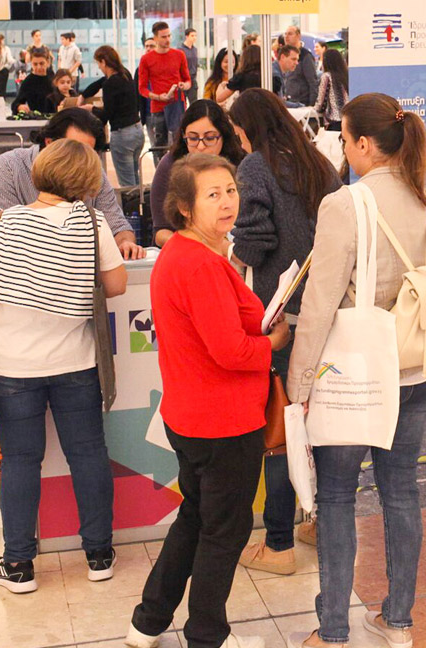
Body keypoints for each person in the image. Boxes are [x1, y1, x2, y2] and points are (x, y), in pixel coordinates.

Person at [287, 94, 426, 648]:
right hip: (420, 366)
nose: (343, 148)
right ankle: (398, 621)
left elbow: (319, 305)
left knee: (337, 494)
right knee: (401, 489)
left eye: (344, 139)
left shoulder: (346, 204)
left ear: (363, 143)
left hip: (356, 374)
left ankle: (334, 631)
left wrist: (300, 384)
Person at [126, 152, 289, 648]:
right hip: (223, 422)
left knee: (197, 517)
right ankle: (205, 636)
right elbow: (231, 351)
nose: (226, 202)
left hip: (192, 414)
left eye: (231, 190)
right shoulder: (199, 265)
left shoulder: (186, 254)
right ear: (184, 207)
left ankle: (148, 622)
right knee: (224, 533)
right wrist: (272, 342)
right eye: (212, 195)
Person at [0, 138, 126, 596]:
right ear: (88, 182)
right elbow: (115, 285)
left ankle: (18, 564)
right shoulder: (90, 223)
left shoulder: (0, 223)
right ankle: (98, 555)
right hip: (76, 362)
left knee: (19, 460)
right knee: (88, 454)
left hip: (12, 366)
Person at [229, 89, 341, 577]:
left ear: (247, 127)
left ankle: (278, 543)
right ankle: (317, 522)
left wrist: (232, 262)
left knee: (281, 429)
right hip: (325, 312)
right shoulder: (319, 162)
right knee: (319, 427)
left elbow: (256, 238)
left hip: (282, 316)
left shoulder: (256, 166)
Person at [0, 108, 145, 260]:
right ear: (49, 143)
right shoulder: (10, 167)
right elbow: (7, 234)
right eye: (74, 151)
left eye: (87, 154)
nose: (81, 162)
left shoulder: (92, 170)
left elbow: (117, 224)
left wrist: (125, 243)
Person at [151, 100, 246, 247]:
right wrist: (198, 247)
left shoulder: (241, 163)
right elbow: (160, 232)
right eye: (193, 138)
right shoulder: (170, 165)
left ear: (224, 136)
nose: (201, 146)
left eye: (210, 138)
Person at [82, 45, 143, 187]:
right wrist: (83, 95)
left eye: (98, 63)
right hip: (137, 131)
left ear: (103, 62)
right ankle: (139, 202)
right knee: (134, 178)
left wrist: (91, 109)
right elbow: (99, 83)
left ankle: (131, 203)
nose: (99, 67)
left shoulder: (110, 84)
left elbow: (106, 115)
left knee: (127, 185)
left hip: (122, 135)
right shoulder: (125, 74)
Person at [138, 21, 192, 163]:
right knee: (159, 146)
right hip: (158, 107)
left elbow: (188, 81)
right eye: (163, 37)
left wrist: (183, 85)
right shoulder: (146, 59)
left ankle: (179, 171)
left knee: (179, 144)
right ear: (155, 38)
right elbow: (142, 88)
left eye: (169, 36)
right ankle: (161, 172)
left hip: (177, 105)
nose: (167, 39)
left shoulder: (179, 55)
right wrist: (157, 97)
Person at [281, 25, 318, 107]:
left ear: (298, 36)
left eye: (290, 34)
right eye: (285, 34)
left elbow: (313, 82)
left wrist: (312, 106)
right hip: (288, 102)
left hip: (302, 104)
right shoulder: (284, 55)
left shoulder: (306, 56)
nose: (286, 37)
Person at [13, 47, 55, 115]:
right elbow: (15, 103)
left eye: (42, 63)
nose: (38, 67)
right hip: (36, 118)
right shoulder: (28, 82)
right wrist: (19, 107)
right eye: (35, 64)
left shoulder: (54, 79)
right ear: (31, 64)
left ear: (48, 62)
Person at [314, 47, 349, 127]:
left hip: (333, 120)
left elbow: (321, 102)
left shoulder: (327, 76)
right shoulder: (346, 76)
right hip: (347, 119)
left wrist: (313, 109)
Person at [180, 28, 199, 105]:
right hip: (183, 79)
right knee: (183, 103)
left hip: (193, 79)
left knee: (194, 103)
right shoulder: (180, 50)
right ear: (187, 36)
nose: (194, 38)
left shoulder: (195, 50)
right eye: (192, 36)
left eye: (195, 36)